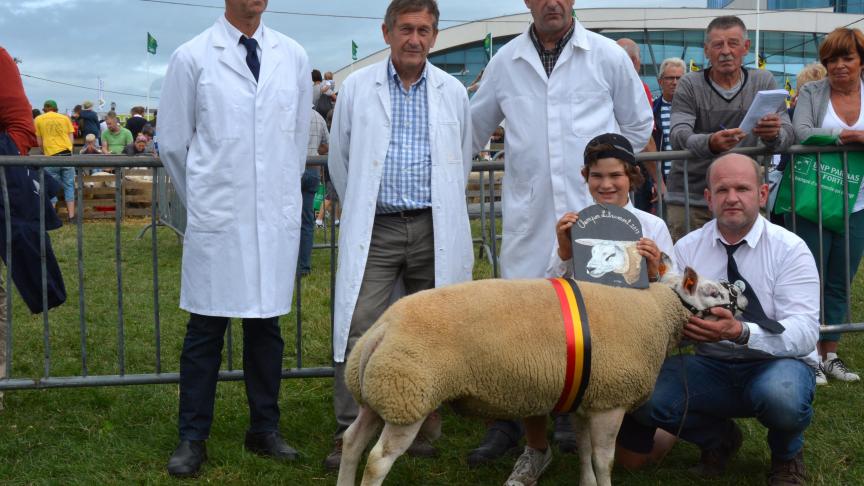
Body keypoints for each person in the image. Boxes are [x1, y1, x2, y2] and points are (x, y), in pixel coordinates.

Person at [469, 0, 653, 466]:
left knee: (591, 317)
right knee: (520, 322)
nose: (552, 2)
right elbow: (473, 127)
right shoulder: (505, 61)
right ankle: (511, 425)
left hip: (593, 215)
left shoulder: (607, 55)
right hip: (530, 217)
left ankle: (574, 415)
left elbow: (636, 124)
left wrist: (608, 179)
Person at [158, 0, 311, 477]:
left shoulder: (293, 56)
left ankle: (264, 427)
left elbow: (298, 137)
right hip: (219, 221)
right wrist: (205, 199)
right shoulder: (193, 57)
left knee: (266, 328)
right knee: (205, 331)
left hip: (271, 219)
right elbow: (173, 142)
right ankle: (192, 437)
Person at [324, 0, 475, 471]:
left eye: (424, 30)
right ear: (386, 32)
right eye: (406, 29)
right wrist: (366, 207)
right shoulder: (356, 89)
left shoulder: (452, 91)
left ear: (435, 36)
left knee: (432, 331)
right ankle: (349, 425)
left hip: (434, 226)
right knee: (360, 326)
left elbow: (463, 156)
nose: (415, 39)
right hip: (379, 226)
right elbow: (342, 158)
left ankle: (423, 426)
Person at [505, 133, 675, 485]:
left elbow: (672, 294)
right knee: (531, 362)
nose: (606, 184)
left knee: (631, 454)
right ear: (586, 177)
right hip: (582, 329)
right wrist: (565, 250)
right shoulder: (575, 221)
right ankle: (536, 448)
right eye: (597, 176)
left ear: (632, 177)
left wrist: (658, 267)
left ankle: (665, 430)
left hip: (630, 341)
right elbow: (551, 284)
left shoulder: (652, 226)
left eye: (616, 176)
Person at [639, 153, 819, 486]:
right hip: (712, 366)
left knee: (783, 396)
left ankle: (786, 456)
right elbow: (678, 301)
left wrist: (740, 331)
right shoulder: (689, 249)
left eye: (742, 188)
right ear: (708, 198)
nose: (732, 198)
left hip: (778, 363)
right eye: (722, 190)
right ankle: (718, 439)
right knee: (643, 393)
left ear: (762, 194)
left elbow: (806, 332)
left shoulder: (791, 249)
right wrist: (680, 322)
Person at [667, 15, 793, 240]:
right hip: (692, 197)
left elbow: (787, 135)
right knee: (689, 271)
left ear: (746, 47)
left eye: (733, 43)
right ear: (707, 50)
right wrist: (710, 143)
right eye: (717, 45)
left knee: (751, 268)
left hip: (744, 197)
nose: (725, 51)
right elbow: (678, 135)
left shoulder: (763, 81)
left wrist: (774, 135)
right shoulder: (689, 83)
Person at [791, 27, 864, 384]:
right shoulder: (811, 91)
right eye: (831, 59)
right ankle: (807, 353)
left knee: (841, 278)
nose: (838, 66)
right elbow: (802, 131)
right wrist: (848, 137)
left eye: (846, 58)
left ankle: (830, 354)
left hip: (859, 203)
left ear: (861, 61)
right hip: (814, 199)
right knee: (809, 277)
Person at [616, 37, 661, 214]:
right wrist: (659, 181)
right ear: (635, 61)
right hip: (634, 169)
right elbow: (645, 138)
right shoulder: (639, 87)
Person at [34, 99, 77, 220]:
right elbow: (71, 140)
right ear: (56, 109)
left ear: (44, 109)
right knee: (69, 186)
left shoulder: (38, 119)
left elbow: (39, 142)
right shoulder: (65, 118)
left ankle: (51, 216)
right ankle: (71, 216)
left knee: (51, 186)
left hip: (51, 157)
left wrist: (44, 151)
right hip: (67, 156)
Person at [298, 108, 328, 276]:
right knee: (307, 220)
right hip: (313, 169)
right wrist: (315, 152)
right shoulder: (318, 117)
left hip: (293, 169)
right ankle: (304, 266)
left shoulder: (290, 113)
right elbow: (326, 144)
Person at [652, 57, 686, 181]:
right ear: (660, 81)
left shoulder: (696, 109)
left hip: (690, 177)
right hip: (663, 180)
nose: (675, 82)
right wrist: (655, 182)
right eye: (670, 78)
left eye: (679, 78)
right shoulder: (651, 111)